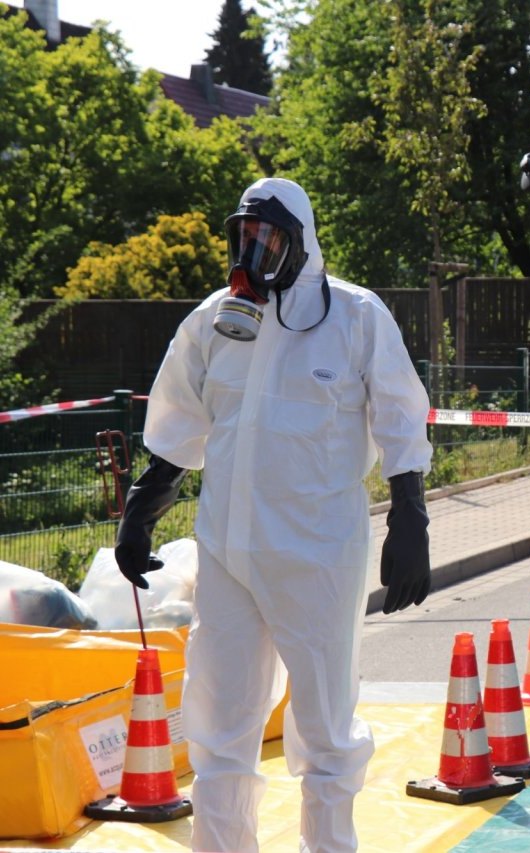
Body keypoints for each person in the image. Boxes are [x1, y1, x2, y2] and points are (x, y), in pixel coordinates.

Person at [113, 177, 434, 853]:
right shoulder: (213, 322)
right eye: (245, 237)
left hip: (318, 559)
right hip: (227, 555)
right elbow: (180, 418)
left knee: (324, 733)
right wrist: (144, 507)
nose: (254, 253)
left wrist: (411, 516)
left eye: (270, 239)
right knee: (220, 731)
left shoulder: (355, 317)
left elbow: (403, 417)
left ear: (302, 243)